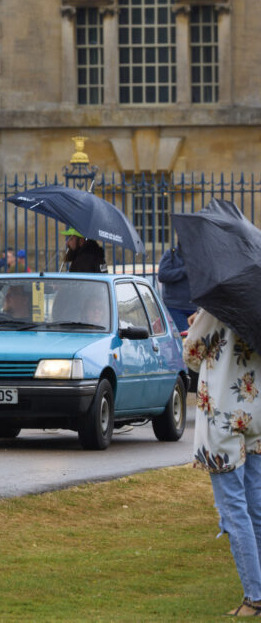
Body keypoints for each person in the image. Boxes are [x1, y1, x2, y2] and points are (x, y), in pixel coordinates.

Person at [184, 309, 261, 616]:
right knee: (255, 505)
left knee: (233, 507)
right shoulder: (253, 297)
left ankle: (254, 597)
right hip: (255, 408)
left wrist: (197, 324)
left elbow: (192, 353)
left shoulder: (221, 304)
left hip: (223, 414)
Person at [157, 246, 196, 332]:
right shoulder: (172, 253)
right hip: (175, 308)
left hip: (197, 307)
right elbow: (162, 275)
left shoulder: (201, 254)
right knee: (184, 338)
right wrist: (185, 270)